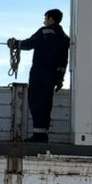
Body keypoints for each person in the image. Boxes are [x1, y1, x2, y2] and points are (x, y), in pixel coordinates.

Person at [8, 9, 70, 142]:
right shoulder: (65, 38)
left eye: (46, 18)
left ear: (51, 19)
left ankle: (38, 135)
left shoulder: (44, 32)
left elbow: (30, 44)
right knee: (46, 103)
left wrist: (15, 44)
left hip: (39, 73)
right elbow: (64, 60)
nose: (44, 21)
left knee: (35, 102)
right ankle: (43, 134)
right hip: (53, 76)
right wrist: (60, 79)